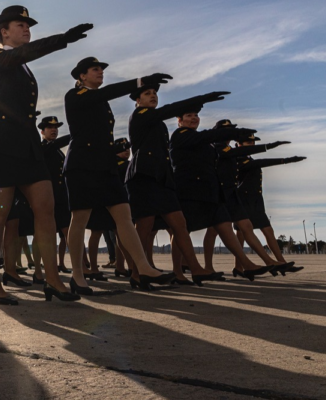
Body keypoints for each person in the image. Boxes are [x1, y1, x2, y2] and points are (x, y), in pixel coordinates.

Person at [0, 5, 92, 304]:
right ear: (3, 31)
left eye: (28, 25)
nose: (27, 28)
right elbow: (21, 55)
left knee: (46, 207)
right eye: (20, 24)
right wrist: (62, 39)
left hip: (27, 146)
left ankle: (52, 280)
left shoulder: (23, 66)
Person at [63, 57, 177, 295]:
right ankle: (78, 275)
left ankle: (143, 267)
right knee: (80, 219)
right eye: (95, 69)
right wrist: (140, 81)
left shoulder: (101, 100)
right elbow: (108, 93)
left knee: (124, 216)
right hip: (82, 165)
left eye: (101, 70)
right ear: (82, 76)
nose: (101, 72)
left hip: (105, 166)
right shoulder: (75, 96)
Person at [127, 83, 231, 285]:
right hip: (144, 176)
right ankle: (137, 273)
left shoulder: (157, 121)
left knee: (180, 224)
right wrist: (202, 98)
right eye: (147, 93)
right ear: (138, 101)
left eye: (155, 93)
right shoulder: (140, 115)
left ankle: (196, 269)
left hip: (163, 179)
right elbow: (169, 110)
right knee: (144, 228)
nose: (153, 96)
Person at [169, 110, 273, 280]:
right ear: (179, 120)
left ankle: (246, 264)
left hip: (210, 191)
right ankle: (178, 271)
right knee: (182, 230)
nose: (194, 118)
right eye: (189, 115)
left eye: (196, 115)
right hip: (189, 190)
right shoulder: (180, 135)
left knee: (224, 225)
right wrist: (236, 133)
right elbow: (209, 137)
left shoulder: (205, 142)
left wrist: (266, 148)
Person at [234, 135, 306, 274]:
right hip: (243, 199)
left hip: (256, 200)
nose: (252, 144)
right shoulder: (238, 158)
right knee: (241, 233)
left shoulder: (248, 158)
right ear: (239, 144)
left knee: (267, 230)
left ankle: (281, 263)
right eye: (249, 142)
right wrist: (285, 160)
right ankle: (239, 266)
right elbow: (261, 163)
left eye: (253, 142)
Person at [38, 115, 72, 276]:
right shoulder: (43, 147)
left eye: (56, 128)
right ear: (42, 131)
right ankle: (40, 269)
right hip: (49, 196)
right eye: (50, 128)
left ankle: (63, 264)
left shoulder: (57, 150)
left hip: (61, 196)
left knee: (66, 232)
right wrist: (75, 133)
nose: (54, 130)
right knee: (50, 233)